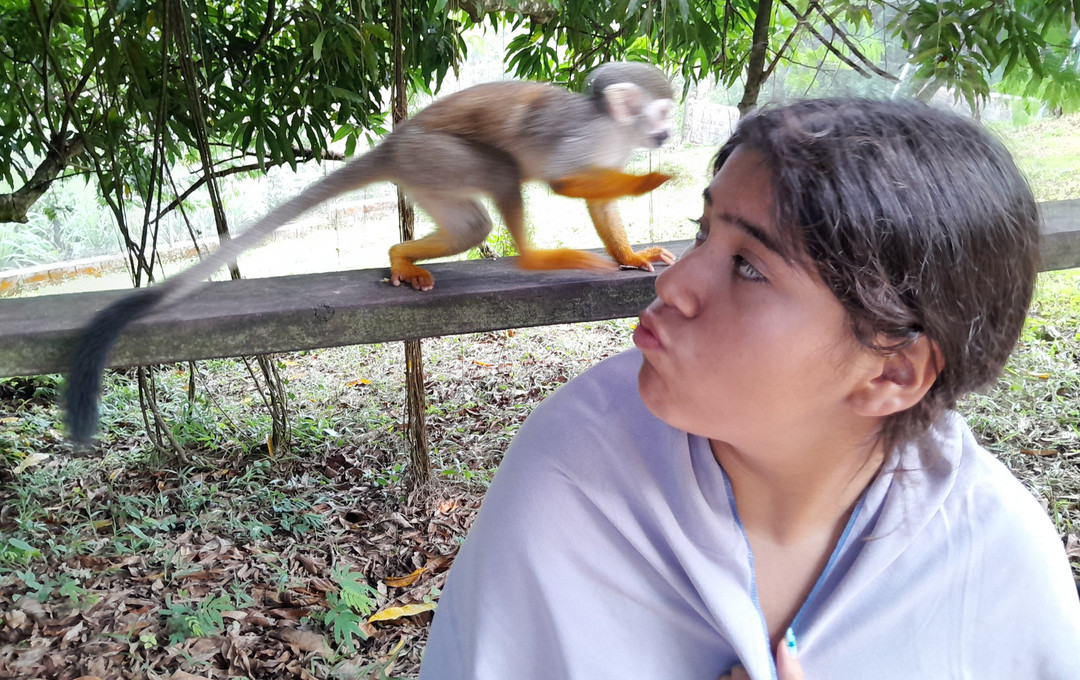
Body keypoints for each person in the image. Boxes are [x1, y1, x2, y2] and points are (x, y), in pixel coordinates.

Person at [418, 99, 1080, 679]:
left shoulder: (991, 561)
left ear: (890, 372)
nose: (672, 284)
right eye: (705, 231)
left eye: (749, 268)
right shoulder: (571, 481)